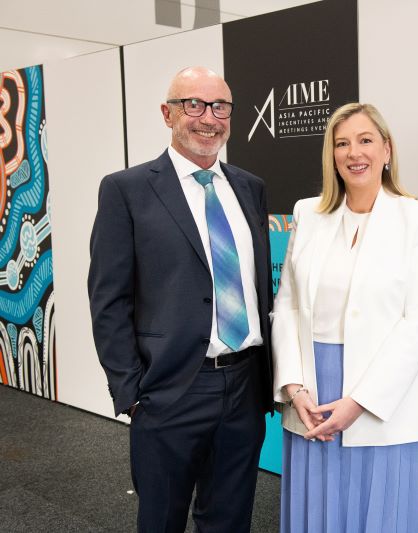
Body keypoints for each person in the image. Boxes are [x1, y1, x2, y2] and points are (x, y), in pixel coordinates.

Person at [87, 66, 273, 533]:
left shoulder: (250, 187)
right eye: (194, 104)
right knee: (161, 519)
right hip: (169, 389)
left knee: (229, 519)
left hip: (244, 385)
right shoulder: (125, 190)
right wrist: (131, 393)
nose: (209, 118)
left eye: (220, 106)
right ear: (167, 113)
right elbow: (108, 300)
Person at [271, 102, 418, 532]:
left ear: (387, 150)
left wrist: (359, 403)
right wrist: (294, 386)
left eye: (366, 140)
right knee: (319, 508)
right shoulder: (307, 214)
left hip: (383, 394)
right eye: (342, 143)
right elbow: (288, 304)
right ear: (332, 155)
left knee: (382, 509)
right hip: (313, 388)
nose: (355, 153)